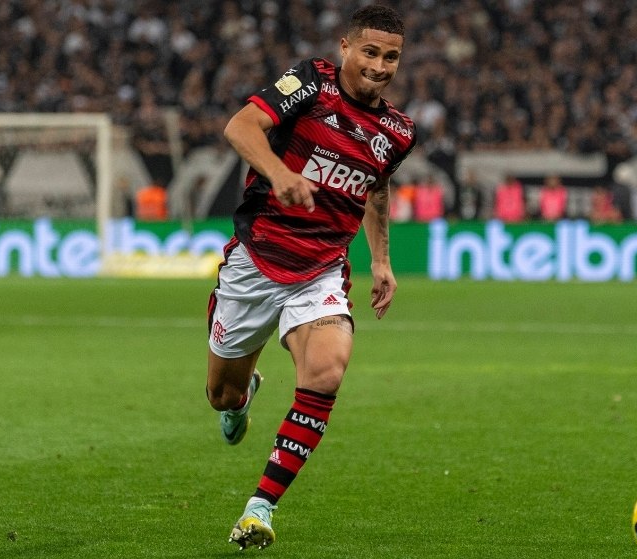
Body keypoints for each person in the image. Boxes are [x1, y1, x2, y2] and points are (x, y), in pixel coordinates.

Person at [205, 5, 415, 551]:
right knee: (221, 396)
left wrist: (383, 260)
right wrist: (278, 174)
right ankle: (243, 395)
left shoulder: (397, 131)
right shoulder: (309, 84)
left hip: (320, 271)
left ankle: (259, 509)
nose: (379, 65)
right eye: (370, 51)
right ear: (346, 48)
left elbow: (374, 188)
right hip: (256, 261)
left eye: (391, 56)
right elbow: (240, 126)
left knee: (325, 372)